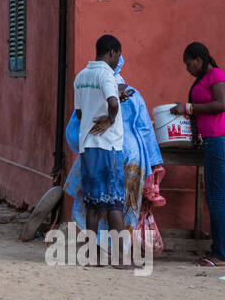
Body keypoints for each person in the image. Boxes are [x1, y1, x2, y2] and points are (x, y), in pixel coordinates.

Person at [65, 55, 164, 244]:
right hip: (121, 153)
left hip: (92, 150)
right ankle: (120, 255)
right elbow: (145, 129)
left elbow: (74, 126)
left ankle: (94, 252)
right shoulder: (131, 93)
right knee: (118, 205)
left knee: (93, 204)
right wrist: (154, 162)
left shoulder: (85, 82)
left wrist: (81, 142)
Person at [171, 42, 225, 267]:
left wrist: (189, 108)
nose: (187, 68)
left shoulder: (216, 74)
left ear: (199, 59)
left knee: (216, 199)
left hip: (221, 140)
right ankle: (220, 251)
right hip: (213, 140)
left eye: (188, 63)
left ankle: (221, 254)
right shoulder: (200, 81)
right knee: (214, 197)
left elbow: (221, 105)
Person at [72, 34, 131, 267]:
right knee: (115, 202)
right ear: (112, 52)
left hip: (87, 147)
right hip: (108, 146)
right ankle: (120, 259)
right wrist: (109, 119)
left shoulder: (81, 76)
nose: (118, 61)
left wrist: (97, 113)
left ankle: (91, 257)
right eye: (118, 56)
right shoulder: (106, 73)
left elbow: (79, 114)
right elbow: (113, 103)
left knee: (93, 203)